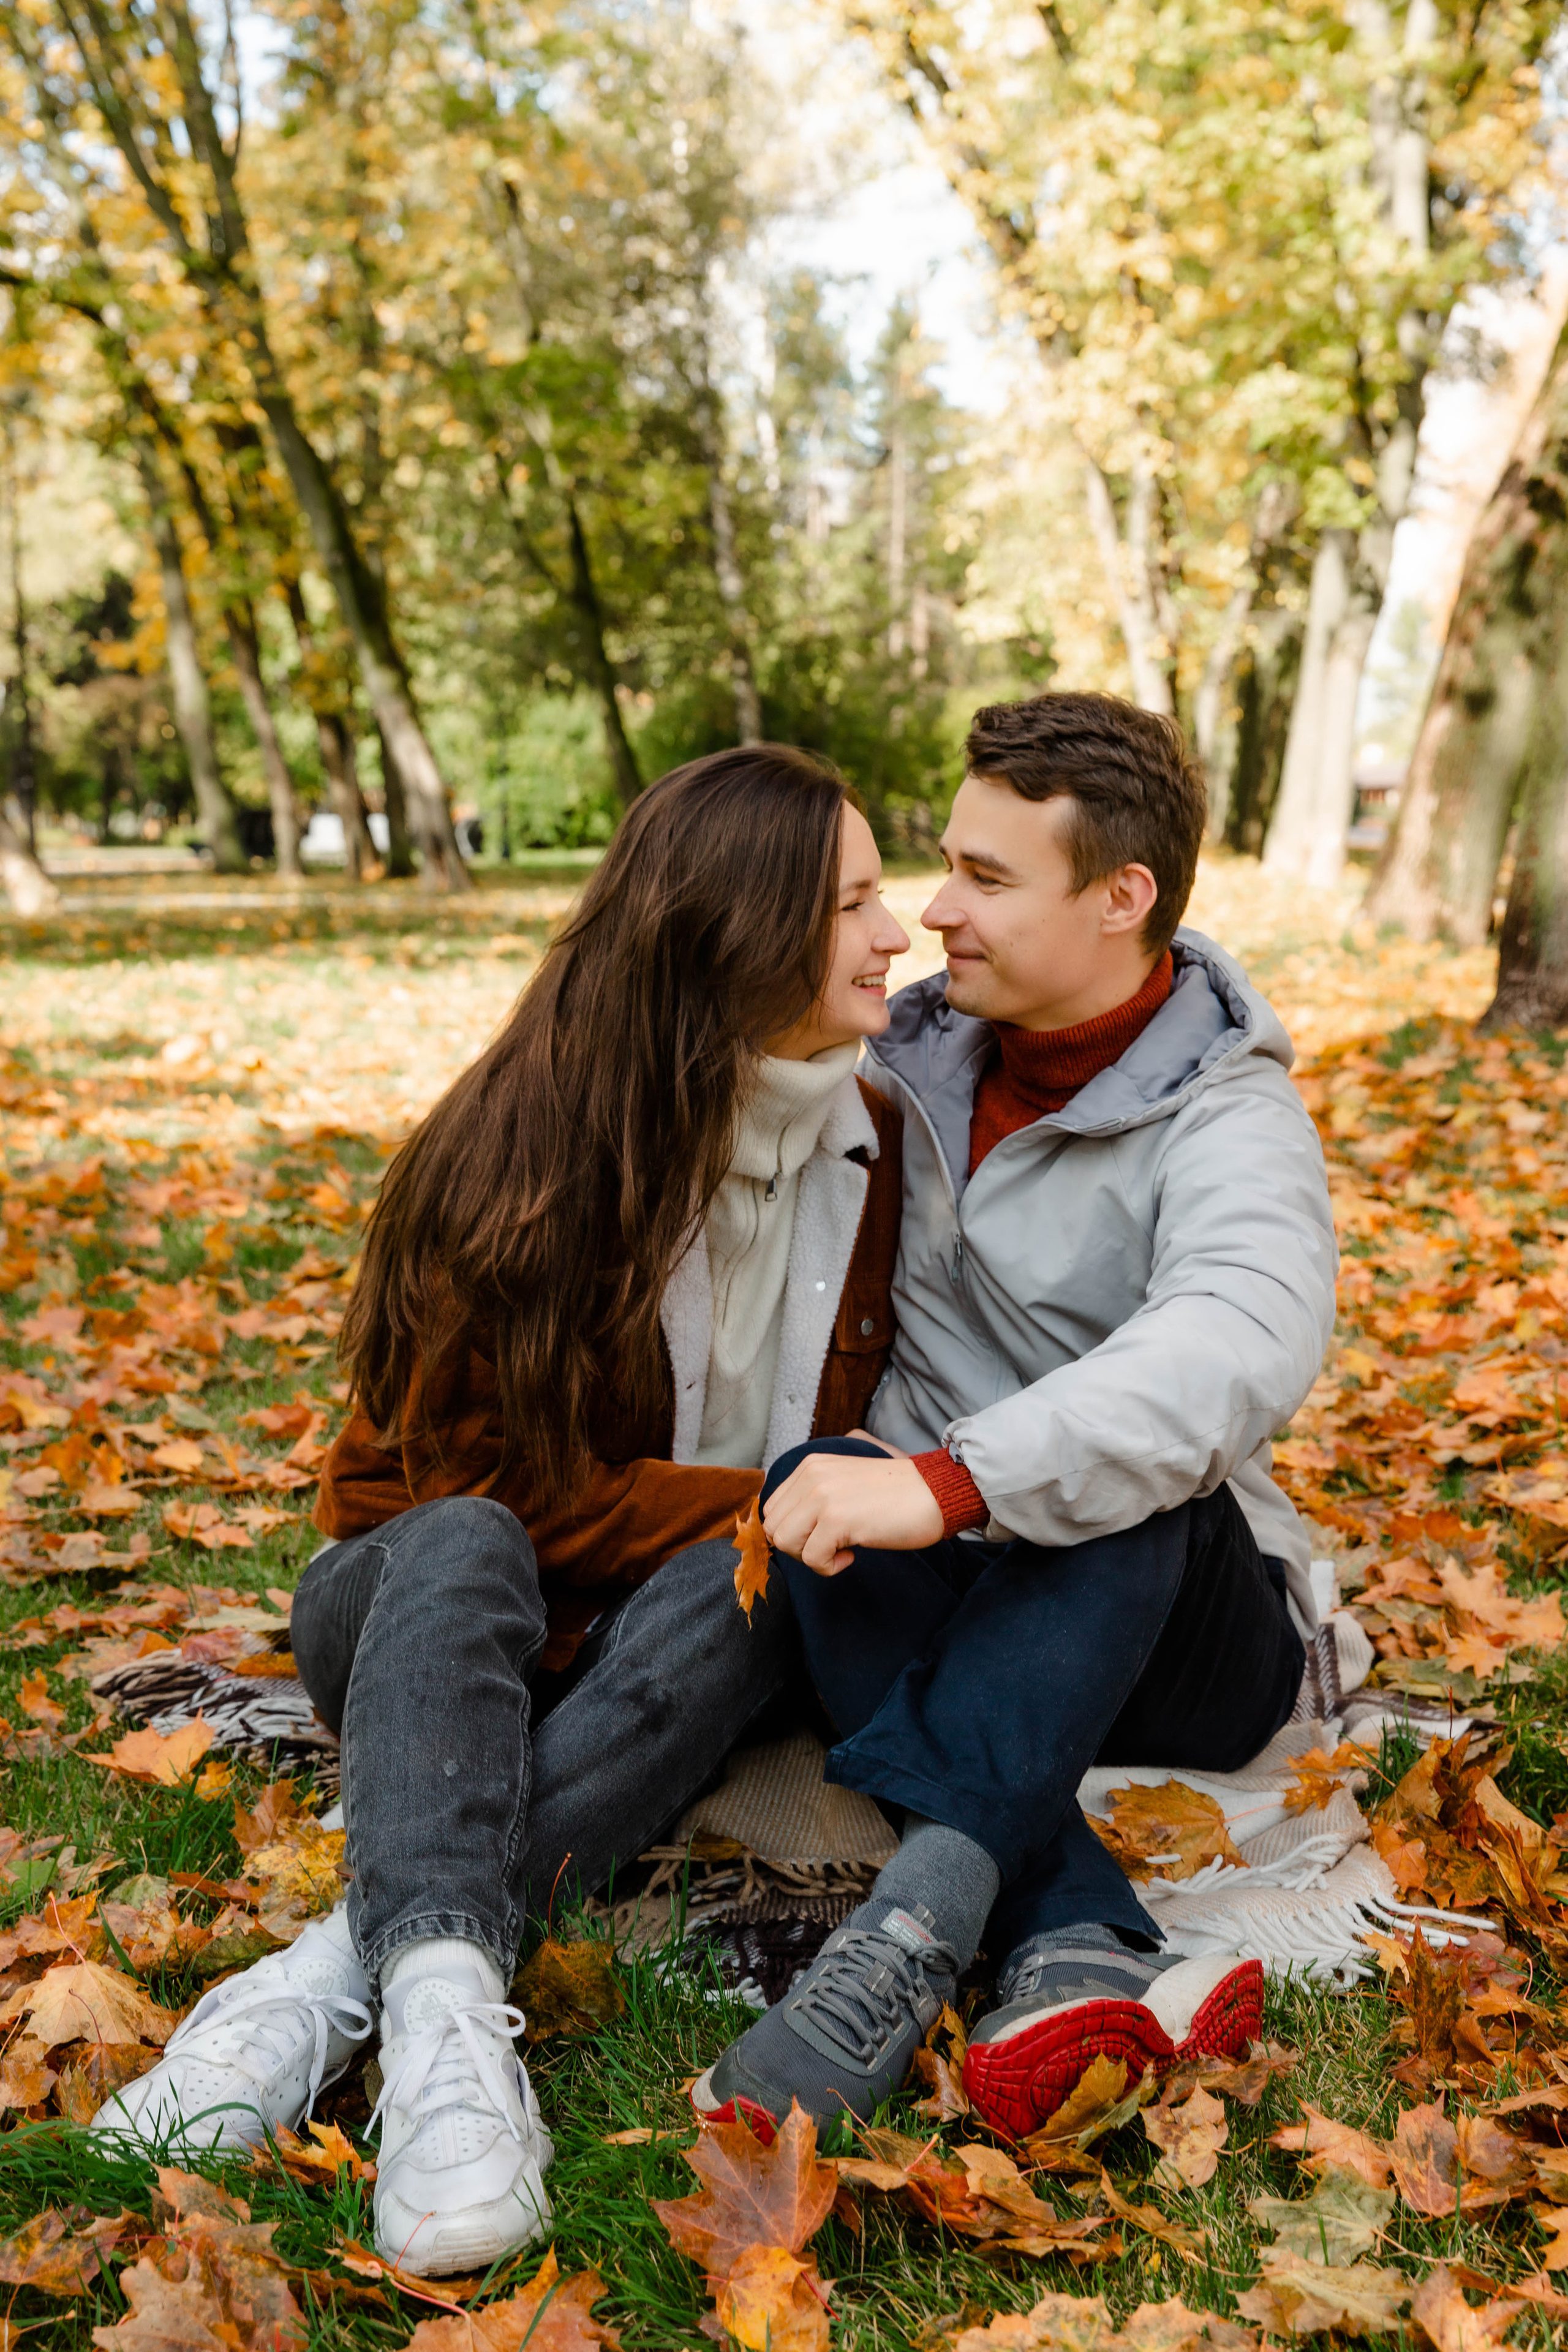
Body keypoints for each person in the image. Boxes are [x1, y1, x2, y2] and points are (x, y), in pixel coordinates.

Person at [94, 745, 911, 2273]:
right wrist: (789, 1493)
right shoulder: (521, 1153)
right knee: (499, 1541)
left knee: (775, 1581)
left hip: (667, 1629)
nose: (899, 931)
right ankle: (435, 1985)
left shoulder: (878, 1148)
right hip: (423, 1611)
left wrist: (803, 1515)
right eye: (854, 902)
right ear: (734, 933)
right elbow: (485, 1496)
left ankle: (361, 1978)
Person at [696, 691, 1338, 2139]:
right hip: (955, 1579)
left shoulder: (1227, 1116)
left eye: (986, 879)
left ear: (1123, 898)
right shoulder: (905, 1066)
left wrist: (951, 1481)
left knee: (1134, 1485)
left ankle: (914, 1929)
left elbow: (1234, 1339)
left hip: (1176, 1625)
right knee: (811, 1489)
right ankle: (1070, 1941)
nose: (933, 911)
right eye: (944, 864)